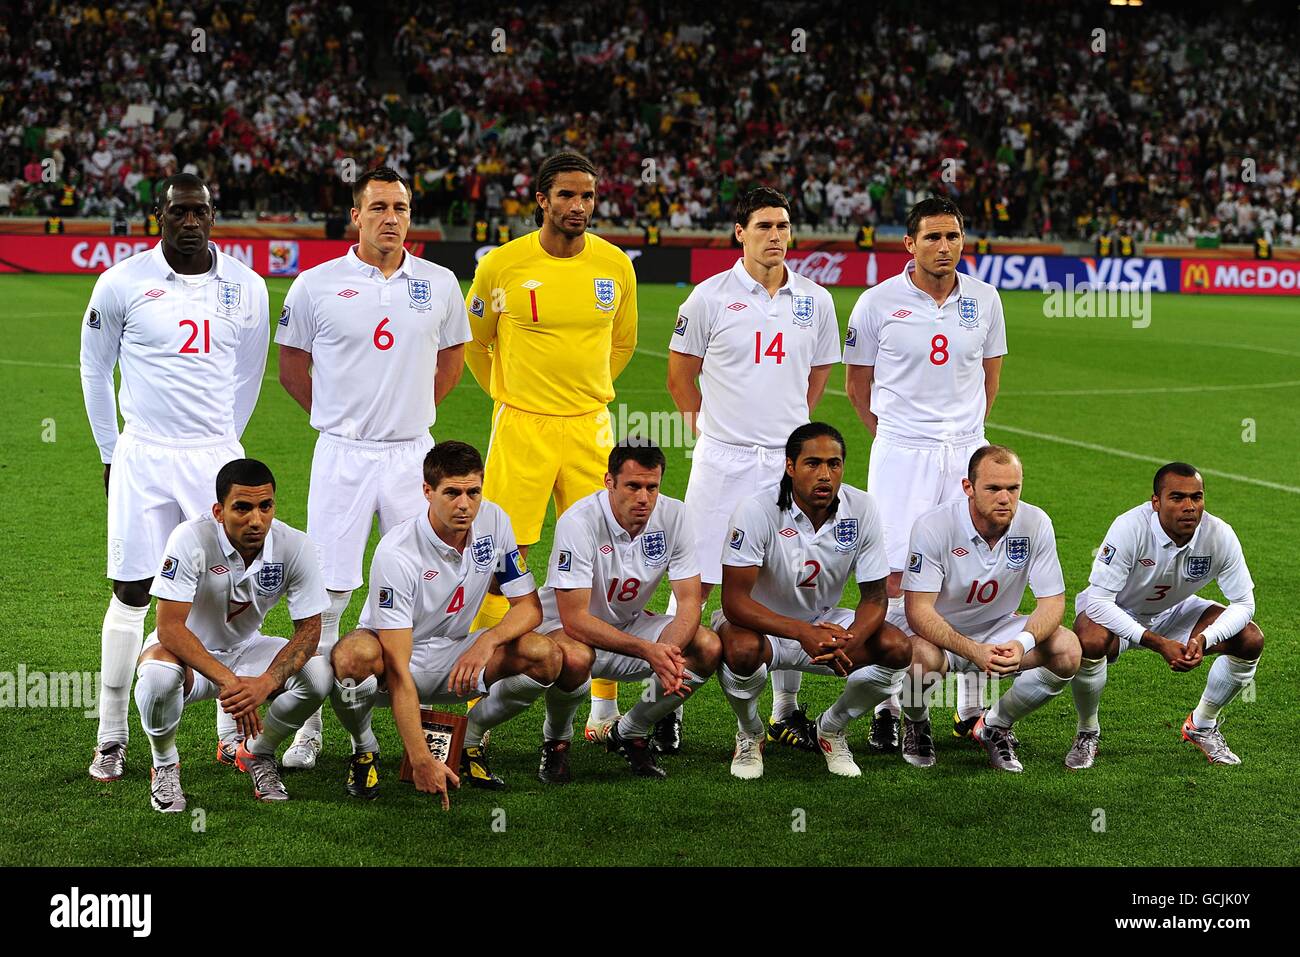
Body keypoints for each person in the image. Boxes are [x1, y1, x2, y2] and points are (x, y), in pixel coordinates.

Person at [274, 166, 470, 770]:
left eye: (402, 208)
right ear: (355, 216)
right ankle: (310, 726)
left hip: (413, 455)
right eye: (379, 207)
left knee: (423, 588)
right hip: (342, 453)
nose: (392, 218)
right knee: (328, 593)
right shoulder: (314, 284)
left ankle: (419, 720)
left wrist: (404, 415)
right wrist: (341, 419)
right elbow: (290, 368)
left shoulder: (437, 283)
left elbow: (452, 362)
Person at [80, 172, 269, 782]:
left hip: (213, 456)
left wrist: (222, 445)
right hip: (144, 455)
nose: (191, 222)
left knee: (223, 592)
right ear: (156, 215)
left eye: (201, 212)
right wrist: (112, 454)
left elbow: (249, 375)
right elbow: (93, 370)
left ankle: (227, 731)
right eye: (179, 212)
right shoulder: (121, 283)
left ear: (214, 216)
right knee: (133, 590)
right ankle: (111, 736)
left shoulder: (247, 286)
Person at [463, 151, 637, 739]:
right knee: (498, 558)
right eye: (566, 195)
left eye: (587, 196)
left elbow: (622, 344)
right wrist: (512, 396)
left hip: (591, 427)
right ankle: (476, 690)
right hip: (522, 428)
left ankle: (605, 703)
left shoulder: (615, 265)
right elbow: (475, 343)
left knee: (604, 557)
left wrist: (586, 393)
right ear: (541, 199)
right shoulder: (503, 265)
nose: (579, 206)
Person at [667, 186, 841, 754]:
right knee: (695, 581)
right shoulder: (708, 297)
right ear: (739, 231)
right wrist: (709, 431)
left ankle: (787, 710)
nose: (775, 236)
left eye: (783, 226)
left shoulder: (815, 300)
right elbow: (680, 375)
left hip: (785, 464)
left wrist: (789, 433)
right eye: (764, 225)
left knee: (788, 581)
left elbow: (816, 378)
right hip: (722, 457)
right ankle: (668, 700)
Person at [843, 195, 1007, 753]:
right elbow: (857, 386)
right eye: (933, 237)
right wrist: (894, 436)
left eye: (953, 236)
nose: (945, 247)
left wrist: (965, 438)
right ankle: (892, 707)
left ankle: (971, 704)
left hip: (965, 451)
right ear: (909, 244)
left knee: (971, 565)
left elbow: (990, 377)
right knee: (894, 579)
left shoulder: (985, 299)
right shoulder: (875, 303)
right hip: (902, 453)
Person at [327, 442, 561, 805]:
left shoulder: (495, 521)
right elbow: (400, 668)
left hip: (458, 653)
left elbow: (529, 608)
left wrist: (487, 642)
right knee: (351, 657)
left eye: (473, 492)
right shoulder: (397, 552)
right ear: (427, 492)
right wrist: (421, 760)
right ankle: (364, 749)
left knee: (543, 654)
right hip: (393, 663)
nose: (464, 504)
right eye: (451, 493)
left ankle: (471, 740)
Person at [715, 423, 912, 779]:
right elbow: (733, 602)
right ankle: (750, 731)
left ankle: (832, 728)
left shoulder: (862, 507)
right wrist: (801, 631)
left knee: (897, 648)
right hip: (762, 626)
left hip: (824, 624)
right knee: (740, 649)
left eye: (834, 464)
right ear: (790, 466)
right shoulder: (755, 510)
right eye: (813, 464)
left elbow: (875, 596)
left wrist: (849, 640)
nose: (825, 475)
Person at [133, 459, 331, 811]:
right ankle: (164, 764)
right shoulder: (190, 538)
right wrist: (229, 681)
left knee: (318, 675)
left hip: (246, 649)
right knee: (157, 678)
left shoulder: (294, 546)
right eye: (242, 507)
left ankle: (257, 752)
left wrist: (266, 682)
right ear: (219, 511)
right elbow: (169, 628)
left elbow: (310, 629)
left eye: (265, 506)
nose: (256, 519)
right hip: (187, 654)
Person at [535, 440, 720, 782]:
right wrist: (649, 651)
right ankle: (557, 741)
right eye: (633, 486)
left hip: (628, 625)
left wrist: (670, 652)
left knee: (706, 645)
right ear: (609, 482)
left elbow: (690, 601)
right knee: (575, 658)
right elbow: (575, 619)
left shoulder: (674, 515)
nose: (643, 497)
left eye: (652, 487)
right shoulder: (579, 521)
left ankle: (631, 731)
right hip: (566, 633)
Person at [1066, 463, 1263, 768]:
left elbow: (1243, 604)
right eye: (1177, 498)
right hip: (1119, 610)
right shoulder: (1130, 527)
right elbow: (1097, 602)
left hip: (1175, 610)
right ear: (1155, 502)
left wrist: (1205, 637)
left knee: (1249, 639)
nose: (1189, 507)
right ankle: (1087, 731)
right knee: (1089, 641)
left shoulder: (1218, 534)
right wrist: (1158, 643)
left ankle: (1202, 724)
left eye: (1196, 497)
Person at [898, 445, 1080, 772]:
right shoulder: (934, 526)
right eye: (993, 488)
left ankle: (994, 724)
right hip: (940, 635)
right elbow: (918, 611)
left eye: (1013, 488)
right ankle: (915, 721)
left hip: (998, 630)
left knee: (1067, 650)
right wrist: (973, 651)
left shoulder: (1036, 523)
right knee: (919, 659)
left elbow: (1053, 603)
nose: (1005, 498)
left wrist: (1021, 642)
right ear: (968, 488)